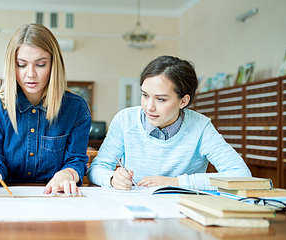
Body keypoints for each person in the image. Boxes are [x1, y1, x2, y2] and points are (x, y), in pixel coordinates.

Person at [0, 23, 91, 196]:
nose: (30, 74)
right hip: (4, 201)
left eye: (41, 64)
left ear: (54, 65)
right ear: (11, 65)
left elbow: (76, 160)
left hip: (55, 200)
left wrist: (67, 174)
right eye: (21, 65)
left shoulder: (75, 108)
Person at [87, 55, 251, 191]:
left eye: (160, 99)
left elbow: (241, 176)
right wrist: (111, 178)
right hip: (134, 211)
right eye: (145, 95)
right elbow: (96, 168)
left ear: (183, 101)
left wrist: (174, 182)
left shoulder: (200, 127)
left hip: (181, 212)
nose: (149, 107)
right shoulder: (125, 120)